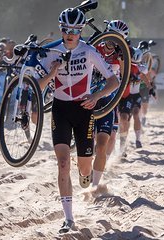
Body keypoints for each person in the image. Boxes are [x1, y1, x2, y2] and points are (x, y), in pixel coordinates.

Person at [37, 8, 119, 234]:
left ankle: (86, 175)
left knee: (85, 169)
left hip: (84, 110)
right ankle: (69, 219)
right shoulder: (51, 52)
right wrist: (51, 74)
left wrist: (96, 96)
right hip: (61, 109)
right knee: (63, 163)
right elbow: (39, 87)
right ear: (61, 29)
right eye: (66, 30)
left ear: (81, 30)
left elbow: (113, 82)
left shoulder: (89, 51)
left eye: (75, 30)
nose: (70, 34)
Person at [91, 19, 129, 187]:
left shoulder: (122, 54)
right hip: (90, 95)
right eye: (111, 35)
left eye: (117, 38)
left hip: (109, 98)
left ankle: (96, 181)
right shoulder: (94, 46)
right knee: (88, 140)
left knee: (107, 140)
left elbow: (125, 74)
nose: (112, 41)